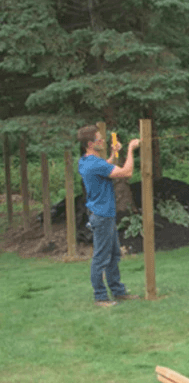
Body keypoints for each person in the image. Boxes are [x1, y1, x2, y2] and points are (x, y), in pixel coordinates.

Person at [77, 125, 141, 307]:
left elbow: (105, 167)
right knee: (101, 258)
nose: (102, 141)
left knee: (113, 255)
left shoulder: (86, 161)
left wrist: (114, 155)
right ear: (90, 143)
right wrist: (130, 149)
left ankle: (118, 292)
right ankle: (100, 297)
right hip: (102, 215)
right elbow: (126, 173)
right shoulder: (94, 163)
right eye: (99, 139)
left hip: (104, 214)